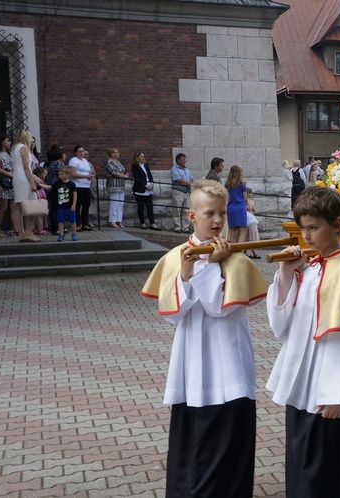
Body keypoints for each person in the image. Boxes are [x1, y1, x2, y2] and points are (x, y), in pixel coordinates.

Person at [141, 179, 268, 497]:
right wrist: (185, 276)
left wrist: (211, 267)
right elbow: (172, 314)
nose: (218, 220)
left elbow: (220, 309)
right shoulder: (175, 258)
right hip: (192, 365)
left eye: (222, 213)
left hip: (228, 365)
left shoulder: (236, 259)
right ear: (191, 216)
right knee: (192, 445)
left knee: (227, 446)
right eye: (210, 213)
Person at [266, 186, 340, 498]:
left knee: (326, 472)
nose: (306, 236)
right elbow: (282, 327)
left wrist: (337, 394)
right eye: (302, 228)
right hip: (303, 387)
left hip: (328, 397)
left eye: (313, 228)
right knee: (302, 464)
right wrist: (284, 274)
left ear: (336, 225)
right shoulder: (310, 268)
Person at [11, 129, 41, 242]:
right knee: (31, 204)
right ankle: (29, 232)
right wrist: (33, 182)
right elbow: (26, 167)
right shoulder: (24, 148)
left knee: (19, 205)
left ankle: (22, 233)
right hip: (24, 178)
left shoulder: (15, 148)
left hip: (17, 178)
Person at [0, 134, 19, 237]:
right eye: (8, 141)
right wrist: (11, 175)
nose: (9, 143)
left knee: (13, 207)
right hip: (2, 181)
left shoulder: (8, 153)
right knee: (3, 207)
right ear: (2, 141)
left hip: (11, 181)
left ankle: (15, 229)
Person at [131, 152, 160, 230]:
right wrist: (145, 185)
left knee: (149, 207)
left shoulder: (146, 165)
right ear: (137, 157)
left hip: (149, 189)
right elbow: (137, 178)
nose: (143, 158)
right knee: (141, 207)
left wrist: (151, 183)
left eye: (143, 156)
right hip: (140, 189)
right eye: (141, 156)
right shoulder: (135, 166)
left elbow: (149, 175)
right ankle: (142, 223)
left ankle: (152, 223)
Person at [68, 145, 95, 230]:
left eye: (82, 151)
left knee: (86, 205)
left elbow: (89, 172)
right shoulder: (73, 160)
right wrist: (85, 177)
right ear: (75, 152)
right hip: (78, 186)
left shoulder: (85, 161)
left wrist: (90, 176)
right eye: (79, 151)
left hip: (86, 186)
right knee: (77, 205)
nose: (81, 153)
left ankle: (85, 223)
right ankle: (77, 224)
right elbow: (73, 174)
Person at [104, 148, 129, 229]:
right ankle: (112, 221)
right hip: (113, 185)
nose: (118, 153)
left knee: (120, 203)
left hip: (121, 184)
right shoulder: (108, 162)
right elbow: (114, 172)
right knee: (114, 203)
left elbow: (123, 170)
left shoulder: (118, 162)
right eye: (116, 152)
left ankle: (119, 220)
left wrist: (126, 175)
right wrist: (124, 176)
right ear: (112, 154)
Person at [52, 166, 78, 242]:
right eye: (59, 174)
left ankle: (74, 234)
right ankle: (61, 234)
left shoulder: (71, 184)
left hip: (69, 206)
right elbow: (50, 187)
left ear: (67, 174)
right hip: (60, 206)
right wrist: (40, 184)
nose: (60, 176)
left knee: (72, 221)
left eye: (61, 174)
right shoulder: (57, 183)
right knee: (60, 221)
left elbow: (75, 194)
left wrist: (74, 204)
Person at [171, 153, 194, 233]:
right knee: (177, 209)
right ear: (178, 160)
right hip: (178, 191)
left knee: (185, 210)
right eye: (183, 159)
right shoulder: (174, 169)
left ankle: (185, 227)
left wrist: (190, 182)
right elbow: (178, 179)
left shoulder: (186, 169)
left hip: (186, 191)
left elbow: (191, 177)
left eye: (185, 159)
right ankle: (177, 227)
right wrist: (187, 183)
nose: (185, 161)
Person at [225, 164, 248, 244]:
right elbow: (245, 198)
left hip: (230, 208)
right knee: (242, 231)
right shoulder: (242, 183)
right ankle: (239, 251)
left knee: (232, 233)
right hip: (240, 207)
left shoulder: (227, 184)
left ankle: (233, 251)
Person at [45, 145, 66, 235]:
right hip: (57, 188)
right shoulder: (58, 164)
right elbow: (65, 174)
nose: (65, 156)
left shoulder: (52, 163)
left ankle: (57, 226)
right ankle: (56, 227)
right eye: (64, 154)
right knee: (57, 209)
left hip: (52, 188)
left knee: (55, 208)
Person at [245, 187, 260, 259]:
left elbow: (253, 209)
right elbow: (248, 209)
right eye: (249, 193)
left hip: (252, 219)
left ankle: (247, 252)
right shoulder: (245, 201)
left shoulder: (251, 201)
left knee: (250, 237)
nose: (251, 194)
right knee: (247, 237)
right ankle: (253, 253)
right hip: (247, 220)